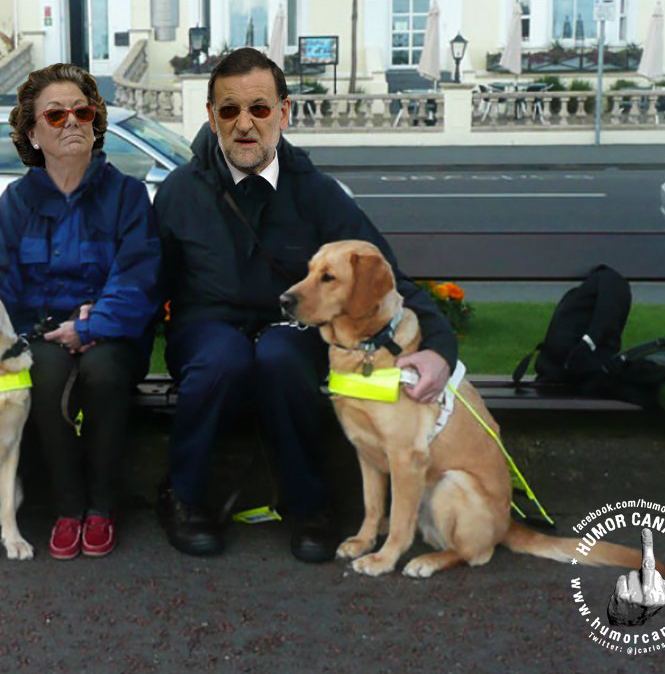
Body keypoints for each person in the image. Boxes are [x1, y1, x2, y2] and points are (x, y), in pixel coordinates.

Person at [153, 48, 458, 563]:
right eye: (229, 110)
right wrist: (108, 345)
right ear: (211, 116)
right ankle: (184, 496)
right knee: (221, 360)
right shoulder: (180, 191)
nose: (244, 124)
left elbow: (386, 275)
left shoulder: (315, 192)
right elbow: (147, 282)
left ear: (284, 112)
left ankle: (308, 505)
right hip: (207, 326)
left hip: (291, 326)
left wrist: (441, 349)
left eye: (259, 108)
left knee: (280, 358)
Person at [0, 63, 161, 560]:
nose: (72, 121)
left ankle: (102, 507)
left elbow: (138, 278)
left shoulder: (127, 195)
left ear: (96, 124)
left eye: (83, 112)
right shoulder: (16, 202)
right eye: (55, 115)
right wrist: (30, 331)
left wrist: (91, 325)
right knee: (45, 374)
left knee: (104, 373)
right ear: (32, 134)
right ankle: (68, 507)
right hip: (39, 333)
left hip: (112, 332)